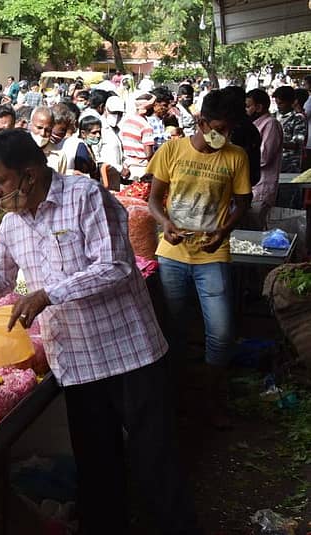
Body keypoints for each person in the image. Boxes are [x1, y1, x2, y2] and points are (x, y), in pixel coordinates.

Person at [0, 129, 198, 535]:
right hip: (77, 363)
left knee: (155, 458)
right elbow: (1, 274)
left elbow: (116, 265)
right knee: (97, 463)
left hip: (127, 351)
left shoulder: (85, 197)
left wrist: (50, 295)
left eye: (2, 181)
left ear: (30, 175)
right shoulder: (13, 223)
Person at [146, 90, 251, 428]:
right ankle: (176, 400)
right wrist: (166, 225)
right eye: (219, 127)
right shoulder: (172, 149)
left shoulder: (236, 156)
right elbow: (154, 201)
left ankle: (210, 401)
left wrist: (224, 231)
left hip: (213, 253)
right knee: (174, 330)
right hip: (172, 255)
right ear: (202, 122)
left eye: (230, 128)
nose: (225, 134)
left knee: (220, 333)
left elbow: (243, 202)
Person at [246, 88, 284, 229]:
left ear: (259, 107)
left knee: (257, 225)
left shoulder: (270, 124)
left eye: (248, 106)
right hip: (253, 185)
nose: (246, 110)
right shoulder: (254, 125)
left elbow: (264, 157)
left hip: (262, 185)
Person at [119, 93, 156, 180]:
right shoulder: (146, 126)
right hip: (141, 168)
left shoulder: (127, 121)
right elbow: (149, 154)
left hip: (127, 166)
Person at [273, 85, 305, 173]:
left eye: (281, 103)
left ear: (291, 102)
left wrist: (275, 142)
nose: (278, 107)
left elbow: (296, 144)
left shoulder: (298, 118)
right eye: (277, 103)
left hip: (290, 164)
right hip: (274, 163)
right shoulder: (273, 116)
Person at [29, 107, 68, 174]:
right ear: (30, 125)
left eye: (47, 130)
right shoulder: (18, 149)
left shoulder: (59, 156)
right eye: (39, 128)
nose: (42, 133)